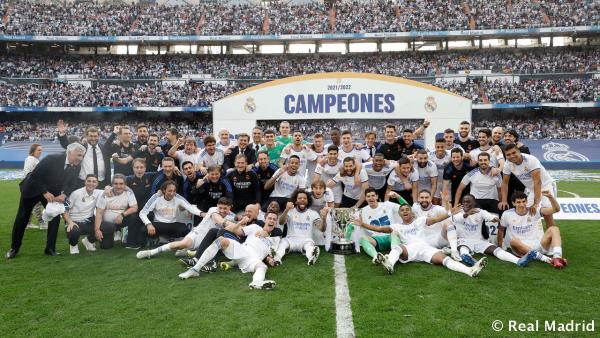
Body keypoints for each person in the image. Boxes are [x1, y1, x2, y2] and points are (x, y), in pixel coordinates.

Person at [6, 142, 85, 259]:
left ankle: (50, 248)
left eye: (82, 156)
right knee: (22, 218)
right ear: (69, 152)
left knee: (55, 217)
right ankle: (14, 248)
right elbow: (34, 176)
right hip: (32, 189)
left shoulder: (77, 165)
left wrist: (65, 195)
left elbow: (72, 183)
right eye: (78, 155)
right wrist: (45, 192)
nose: (81, 158)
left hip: (52, 192)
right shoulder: (52, 158)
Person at [178, 211, 281, 290]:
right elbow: (234, 231)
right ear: (265, 220)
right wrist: (241, 222)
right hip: (242, 249)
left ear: (276, 223)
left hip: (254, 259)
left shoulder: (275, 239)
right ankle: (195, 269)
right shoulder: (255, 227)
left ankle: (256, 283)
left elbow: (271, 254)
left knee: (262, 267)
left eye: (274, 219)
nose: (271, 220)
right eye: (270, 218)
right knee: (221, 240)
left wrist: (270, 259)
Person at [377, 203, 486, 277]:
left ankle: (470, 271)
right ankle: (389, 264)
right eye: (402, 210)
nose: (405, 211)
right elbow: (380, 229)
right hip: (409, 250)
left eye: (407, 209)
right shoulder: (396, 226)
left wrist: (449, 213)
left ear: (411, 212)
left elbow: (435, 219)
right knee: (398, 247)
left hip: (425, 248)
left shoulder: (420, 220)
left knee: (445, 260)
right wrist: (362, 224)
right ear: (399, 214)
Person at [136, 197, 236, 261]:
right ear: (217, 206)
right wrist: (230, 224)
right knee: (183, 244)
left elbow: (236, 220)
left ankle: (188, 252)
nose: (222, 210)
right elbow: (218, 219)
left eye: (225, 208)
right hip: (197, 234)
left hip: (208, 241)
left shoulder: (232, 216)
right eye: (220, 208)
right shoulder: (213, 210)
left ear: (230, 208)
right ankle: (151, 252)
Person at [451, 194, 531, 268]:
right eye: (464, 202)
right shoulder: (458, 211)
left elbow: (489, 216)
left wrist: (494, 218)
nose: (466, 204)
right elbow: (458, 218)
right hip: (463, 240)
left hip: (479, 240)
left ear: (474, 203)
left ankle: (518, 261)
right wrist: (467, 214)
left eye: (468, 202)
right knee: (463, 248)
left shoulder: (480, 211)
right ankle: (468, 258)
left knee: (495, 249)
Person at [498, 191, 567, 269]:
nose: (521, 204)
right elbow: (501, 230)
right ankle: (549, 260)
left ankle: (557, 257)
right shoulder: (507, 214)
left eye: (524, 201)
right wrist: (500, 246)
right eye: (518, 202)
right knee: (513, 241)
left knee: (554, 229)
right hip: (522, 250)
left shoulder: (534, 210)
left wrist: (551, 197)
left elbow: (556, 209)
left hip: (539, 246)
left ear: (527, 202)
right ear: (513, 203)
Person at [499, 144, 558, 229]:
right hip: (531, 188)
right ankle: (531, 236)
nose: (511, 156)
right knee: (524, 211)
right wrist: (504, 200)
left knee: (547, 215)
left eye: (514, 153)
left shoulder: (531, 160)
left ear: (519, 152)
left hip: (546, 186)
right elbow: (505, 183)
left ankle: (553, 240)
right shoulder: (507, 164)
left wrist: (536, 204)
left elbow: (537, 182)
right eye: (508, 155)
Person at [274, 190, 327, 265]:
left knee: (309, 246)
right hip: (290, 239)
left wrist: (324, 219)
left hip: (305, 239)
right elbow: (281, 222)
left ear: (308, 201)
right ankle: (277, 258)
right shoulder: (290, 211)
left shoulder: (313, 213)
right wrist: (286, 210)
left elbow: (322, 229)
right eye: (300, 198)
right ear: (295, 201)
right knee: (283, 243)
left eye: (305, 198)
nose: (302, 199)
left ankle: (311, 257)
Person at [57, 121, 115, 188]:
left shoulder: (104, 148)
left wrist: (108, 184)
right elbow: (67, 145)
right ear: (86, 136)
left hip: (101, 184)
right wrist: (62, 133)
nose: (93, 138)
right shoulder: (82, 147)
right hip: (83, 184)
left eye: (95, 136)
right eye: (91, 136)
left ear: (99, 136)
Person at [406, 189, 459, 260]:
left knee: (448, 223)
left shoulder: (437, 208)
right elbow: (405, 207)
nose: (424, 199)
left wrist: (446, 201)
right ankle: (442, 251)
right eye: (422, 197)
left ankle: (454, 251)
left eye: (427, 197)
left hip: (438, 239)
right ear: (418, 199)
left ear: (431, 198)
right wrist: (397, 196)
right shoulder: (415, 208)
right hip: (423, 240)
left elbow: (447, 211)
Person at [352, 188, 399, 264]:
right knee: (363, 239)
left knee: (396, 232)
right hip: (377, 240)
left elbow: (407, 208)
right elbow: (355, 225)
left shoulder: (387, 205)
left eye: (373, 195)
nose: (371, 198)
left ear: (377, 196)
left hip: (391, 236)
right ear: (365, 198)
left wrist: (398, 197)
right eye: (368, 196)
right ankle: (376, 256)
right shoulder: (362, 211)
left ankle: (391, 257)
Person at [93, 174, 138, 250]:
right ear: (112, 184)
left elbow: (135, 208)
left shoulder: (129, 192)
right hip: (107, 225)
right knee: (106, 247)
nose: (118, 186)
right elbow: (99, 213)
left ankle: (128, 240)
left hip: (121, 221)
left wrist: (122, 215)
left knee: (134, 217)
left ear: (125, 185)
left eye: (121, 184)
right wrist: (97, 229)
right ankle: (93, 237)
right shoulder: (105, 194)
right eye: (116, 184)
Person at [62, 174, 103, 254]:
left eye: (94, 182)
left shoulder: (99, 193)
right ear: (85, 182)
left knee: (105, 226)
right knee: (74, 231)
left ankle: (88, 241)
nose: (91, 183)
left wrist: (108, 188)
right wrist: (70, 222)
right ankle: (73, 245)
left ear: (97, 184)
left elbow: (112, 189)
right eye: (89, 181)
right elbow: (64, 208)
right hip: (74, 221)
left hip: (88, 221)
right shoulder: (76, 193)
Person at [24, 143, 45, 229]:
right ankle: (42, 223)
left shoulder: (35, 159)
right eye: (38, 150)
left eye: (41, 150)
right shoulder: (30, 159)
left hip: (33, 185)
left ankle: (27, 223)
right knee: (37, 204)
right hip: (32, 186)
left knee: (30, 205)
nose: (40, 152)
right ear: (33, 151)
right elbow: (28, 173)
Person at [428, 138, 451, 205]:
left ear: (446, 146)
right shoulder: (429, 155)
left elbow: (462, 155)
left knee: (446, 203)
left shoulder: (450, 155)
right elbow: (418, 156)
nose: (440, 149)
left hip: (447, 183)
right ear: (435, 147)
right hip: (435, 183)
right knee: (435, 203)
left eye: (442, 147)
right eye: (438, 147)